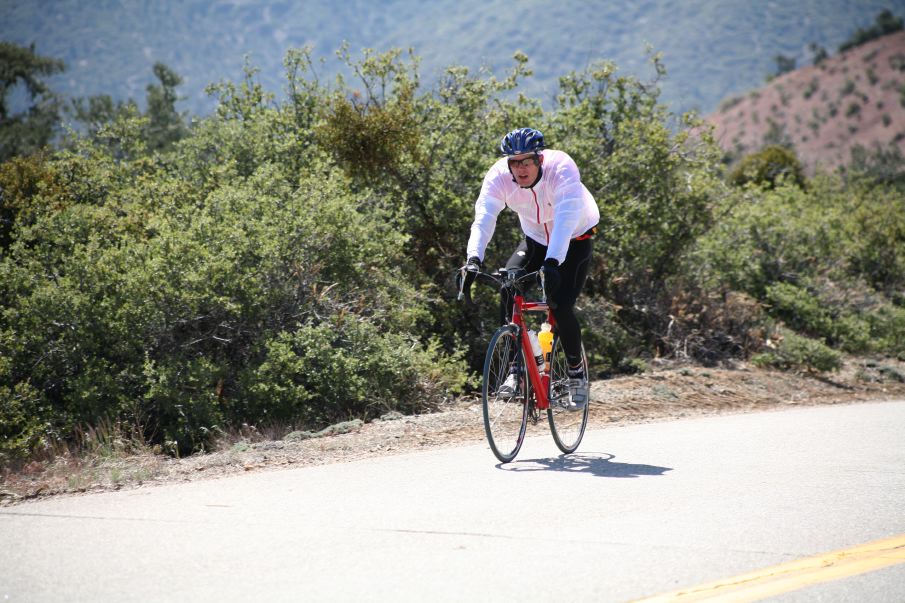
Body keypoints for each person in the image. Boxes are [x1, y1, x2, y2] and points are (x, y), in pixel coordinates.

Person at [460, 127, 600, 409]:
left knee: (559, 305)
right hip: (535, 239)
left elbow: (565, 218)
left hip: (574, 238)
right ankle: (516, 369)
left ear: (540, 160)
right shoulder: (499, 177)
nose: (520, 168)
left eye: (527, 161)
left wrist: (553, 262)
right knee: (508, 286)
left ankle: (576, 372)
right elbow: (484, 217)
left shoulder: (561, 167)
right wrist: (473, 259)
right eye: (514, 162)